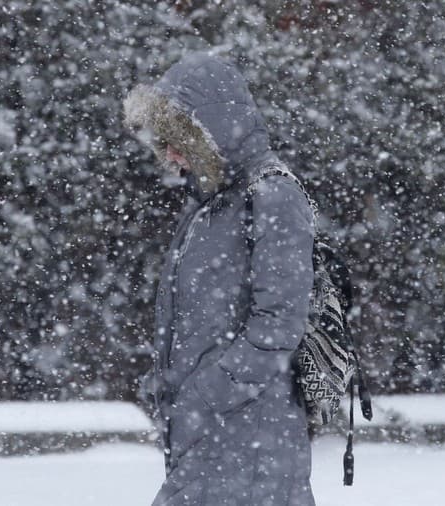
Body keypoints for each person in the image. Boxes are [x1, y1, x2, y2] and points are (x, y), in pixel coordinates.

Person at [123, 52, 316, 506]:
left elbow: (280, 321)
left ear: (210, 133)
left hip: (247, 436)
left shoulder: (270, 194)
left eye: (177, 140)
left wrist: (210, 393)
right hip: (214, 436)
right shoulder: (210, 206)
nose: (168, 155)